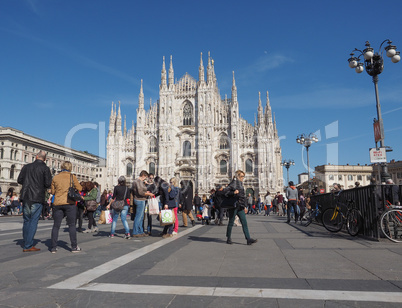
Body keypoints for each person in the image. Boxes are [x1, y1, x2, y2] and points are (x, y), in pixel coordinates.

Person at [17, 150, 52, 252]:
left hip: (26, 196)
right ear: (45, 159)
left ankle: (26, 241)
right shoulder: (45, 168)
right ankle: (28, 245)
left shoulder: (26, 167)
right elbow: (48, 183)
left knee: (26, 220)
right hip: (37, 197)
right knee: (33, 221)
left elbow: (19, 180)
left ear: (36, 156)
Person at [50, 161, 83, 253]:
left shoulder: (55, 177)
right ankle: (74, 247)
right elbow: (80, 188)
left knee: (56, 226)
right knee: (72, 225)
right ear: (70, 167)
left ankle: (53, 247)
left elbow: (52, 192)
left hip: (57, 203)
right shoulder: (72, 177)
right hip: (70, 203)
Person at [224, 170, 257, 245]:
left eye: (243, 176)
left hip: (240, 206)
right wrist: (233, 192)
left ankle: (248, 239)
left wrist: (245, 206)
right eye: (242, 176)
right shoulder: (233, 183)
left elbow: (243, 196)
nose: (243, 178)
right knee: (231, 222)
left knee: (244, 222)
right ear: (238, 176)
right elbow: (226, 192)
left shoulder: (241, 184)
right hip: (234, 206)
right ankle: (228, 238)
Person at [132, 170, 154, 237]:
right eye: (146, 177)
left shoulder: (140, 182)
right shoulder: (137, 181)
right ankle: (135, 232)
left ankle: (140, 231)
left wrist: (146, 191)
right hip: (139, 200)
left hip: (142, 199)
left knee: (141, 217)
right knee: (138, 217)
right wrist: (149, 194)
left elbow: (142, 190)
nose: (146, 179)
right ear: (143, 175)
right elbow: (140, 192)